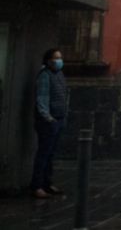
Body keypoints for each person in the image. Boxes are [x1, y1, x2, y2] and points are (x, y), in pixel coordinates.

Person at [31, 48, 68, 199]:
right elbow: (42, 98)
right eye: (56, 58)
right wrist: (48, 117)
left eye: (60, 58)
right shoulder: (44, 76)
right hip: (48, 121)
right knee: (43, 153)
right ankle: (37, 186)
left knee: (51, 154)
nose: (59, 61)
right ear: (48, 61)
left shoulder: (59, 74)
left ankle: (47, 183)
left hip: (59, 118)